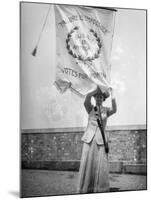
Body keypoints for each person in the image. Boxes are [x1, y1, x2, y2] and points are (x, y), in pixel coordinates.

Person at [77, 86, 117, 193]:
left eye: (101, 97)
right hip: (89, 139)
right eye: (97, 97)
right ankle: (86, 187)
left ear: (103, 99)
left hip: (100, 140)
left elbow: (114, 109)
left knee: (100, 164)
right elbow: (86, 99)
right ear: (95, 98)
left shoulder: (106, 111)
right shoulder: (90, 108)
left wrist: (112, 94)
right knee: (88, 162)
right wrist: (95, 89)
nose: (99, 99)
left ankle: (98, 189)